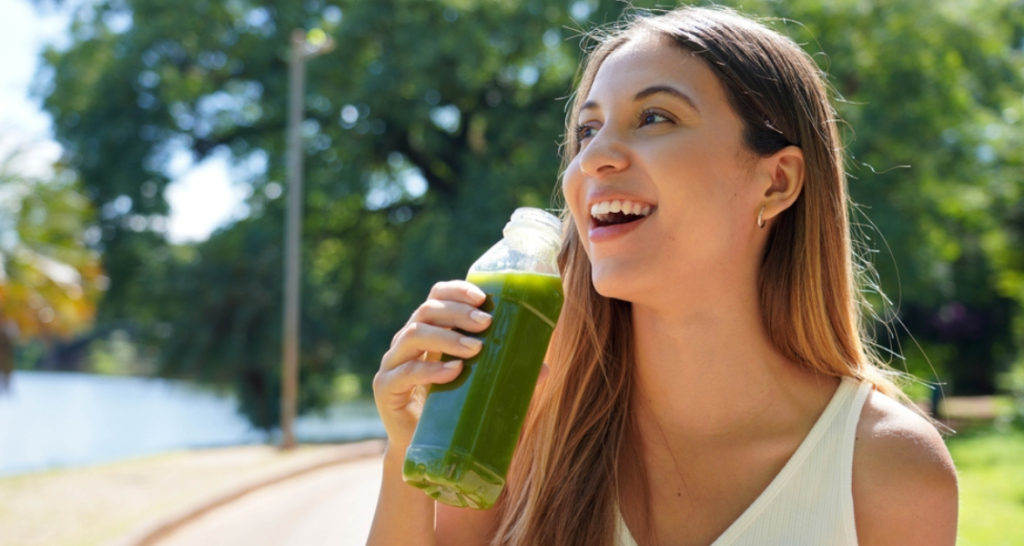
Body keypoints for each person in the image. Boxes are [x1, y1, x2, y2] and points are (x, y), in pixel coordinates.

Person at [368, 6, 958, 546]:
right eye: (587, 130)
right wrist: (407, 452)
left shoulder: (884, 469)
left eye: (654, 117)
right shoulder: (518, 429)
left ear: (776, 182)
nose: (594, 158)